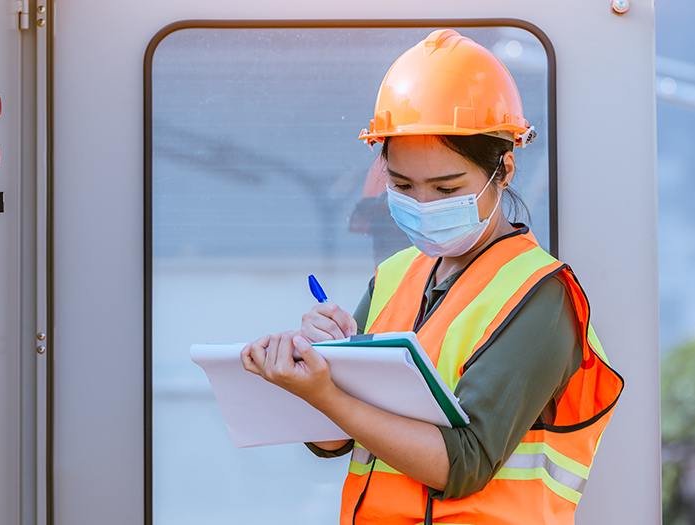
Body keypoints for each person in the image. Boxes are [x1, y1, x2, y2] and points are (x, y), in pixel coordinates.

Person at [240, 29, 624, 525]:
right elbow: (333, 440)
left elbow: (463, 464)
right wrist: (317, 369)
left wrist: (330, 393)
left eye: (446, 187)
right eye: (402, 185)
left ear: (503, 169)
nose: (423, 205)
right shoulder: (395, 275)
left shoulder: (540, 295)